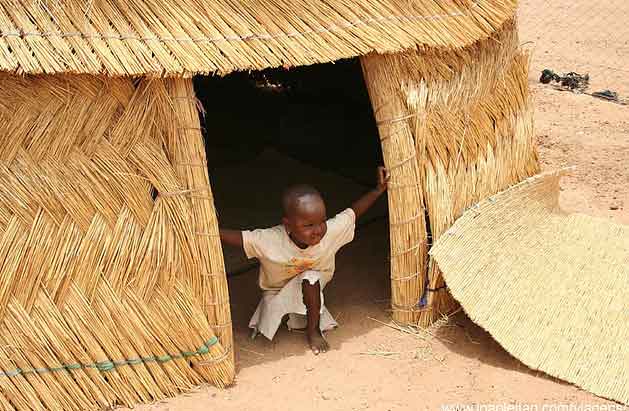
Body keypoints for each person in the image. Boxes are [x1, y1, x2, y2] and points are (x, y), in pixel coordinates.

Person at [219, 167, 389, 354]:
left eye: (321, 221)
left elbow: (352, 214)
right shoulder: (270, 239)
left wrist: (377, 190)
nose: (317, 230)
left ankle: (313, 331)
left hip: (312, 284)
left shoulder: (329, 233)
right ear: (288, 225)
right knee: (309, 277)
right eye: (308, 225)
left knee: (310, 277)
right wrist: (207, 230)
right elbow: (239, 238)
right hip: (277, 290)